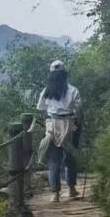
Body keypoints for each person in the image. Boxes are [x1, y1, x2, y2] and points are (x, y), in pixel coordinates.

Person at [36, 60, 82, 202]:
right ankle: (72, 189)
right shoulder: (73, 90)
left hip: (53, 126)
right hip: (70, 125)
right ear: (64, 74)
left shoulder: (46, 91)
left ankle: (55, 194)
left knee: (54, 160)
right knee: (70, 158)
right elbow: (78, 108)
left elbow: (41, 108)